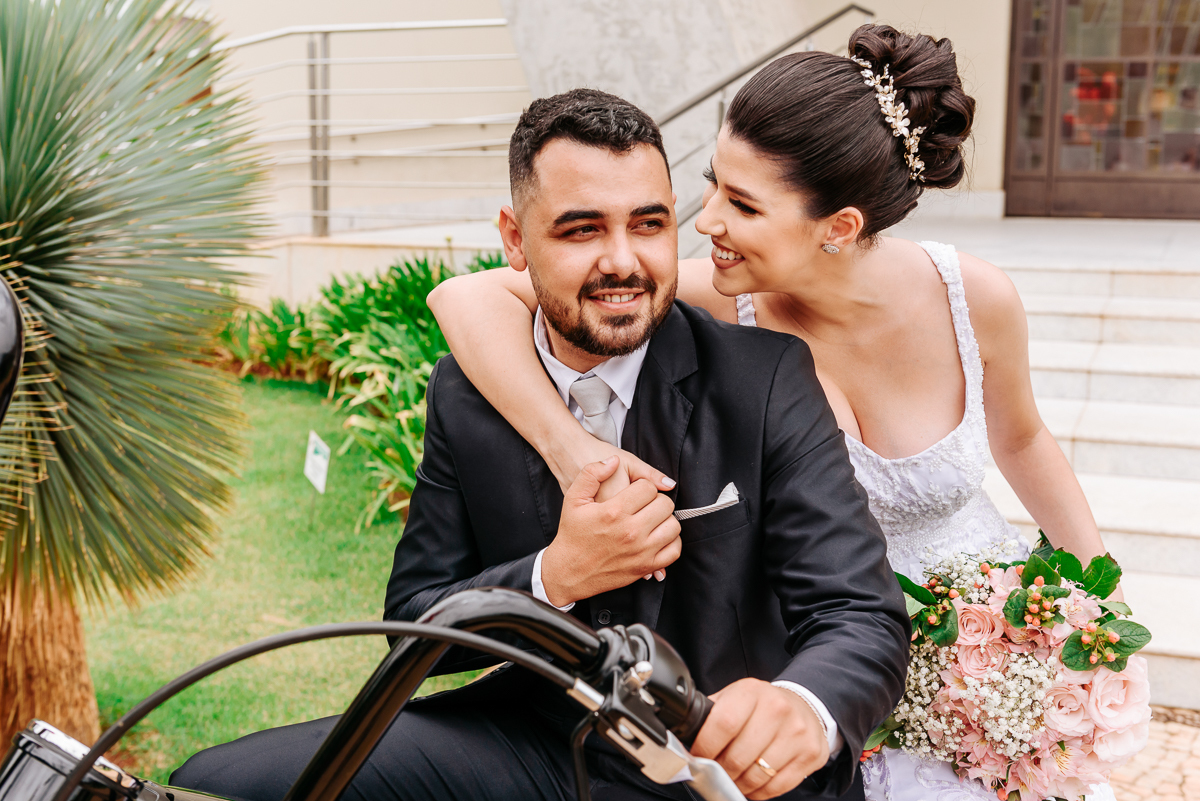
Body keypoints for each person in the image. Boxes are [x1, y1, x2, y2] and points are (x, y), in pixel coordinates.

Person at [426, 25, 1119, 801]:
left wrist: (1101, 607)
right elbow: (464, 297)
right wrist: (570, 449)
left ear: (839, 227)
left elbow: (1023, 440)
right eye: (714, 183)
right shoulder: (716, 297)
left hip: (981, 646)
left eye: (743, 204)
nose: (706, 220)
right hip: (824, 658)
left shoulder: (973, 297)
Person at [170, 88, 910, 801]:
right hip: (534, 739)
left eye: (648, 224)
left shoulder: (765, 377)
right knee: (215, 780)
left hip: (713, 766)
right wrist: (555, 574)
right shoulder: (466, 391)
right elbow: (414, 624)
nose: (622, 261)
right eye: (581, 229)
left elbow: (861, 615)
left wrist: (802, 708)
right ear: (514, 240)